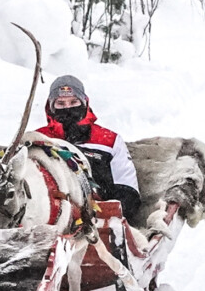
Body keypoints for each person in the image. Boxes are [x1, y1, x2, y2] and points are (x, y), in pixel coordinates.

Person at [37, 74, 144, 212]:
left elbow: (128, 191)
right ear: (50, 107)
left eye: (74, 102)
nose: (67, 108)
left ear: (85, 103)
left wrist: (107, 213)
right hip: (48, 216)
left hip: (98, 218)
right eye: (60, 104)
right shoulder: (39, 139)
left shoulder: (109, 141)